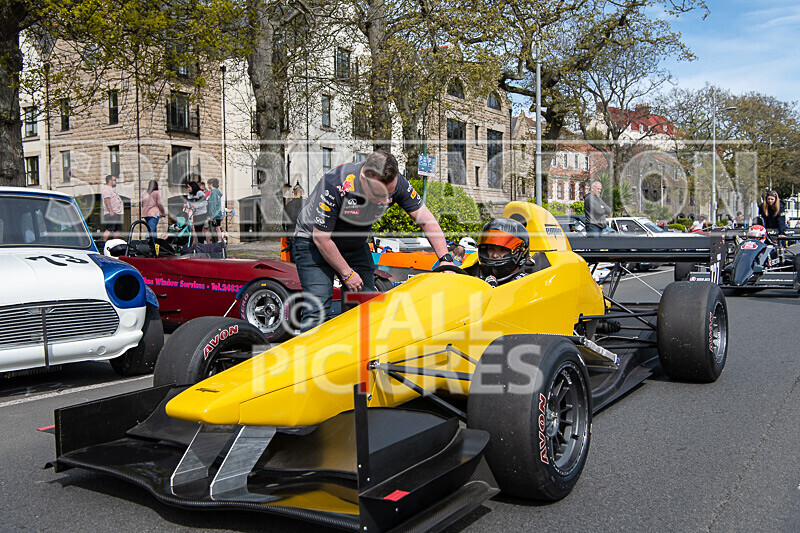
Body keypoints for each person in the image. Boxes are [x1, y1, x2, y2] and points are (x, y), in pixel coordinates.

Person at [293, 150, 453, 331]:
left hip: (353, 242)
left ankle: (356, 356)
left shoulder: (398, 183)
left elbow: (426, 219)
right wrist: (347, 273)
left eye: (390, 194)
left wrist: (445, 261)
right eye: (379, 194)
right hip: (313, 242)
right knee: (317, 309)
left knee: (364, 305)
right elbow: (322, 239)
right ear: (364, 178)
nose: (386, 201)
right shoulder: (335, 184)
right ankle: (309, 357)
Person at [464, 218, 543, 286]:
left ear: (519, 253)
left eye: (503, 250)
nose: (495, 255)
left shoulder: (528, 283)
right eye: (491, 249)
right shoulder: (472, 274)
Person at [185, 180, 210, 245]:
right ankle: (200, 243)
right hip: (195, 214)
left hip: (201, 214)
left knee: (199, 229)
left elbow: (205, 202)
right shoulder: (189, 195)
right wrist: (187, 205)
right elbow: (189, 203)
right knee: (196, 229)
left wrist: (197, 206)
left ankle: (201, 243)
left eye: (189, 187)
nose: (188, 189)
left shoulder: (200, 193)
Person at [101, 174, 124, 241]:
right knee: (110, 229)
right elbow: (106, 199)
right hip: (112, 213)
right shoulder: (106, 189)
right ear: (110, 181)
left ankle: (115, 243)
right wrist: (110, 210)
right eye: (114, 180)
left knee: (118, 229)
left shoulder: (112, 190)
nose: (115, 182)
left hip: (118, 213)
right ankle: (104, 243)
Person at [206, 178, 225, 243]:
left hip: (215, 214)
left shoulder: (213, 193)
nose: (208, 186)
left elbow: (213, 205)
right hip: (218, 213)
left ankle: (219, 241)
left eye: (208, 184)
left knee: (217, 228)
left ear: (211, 184)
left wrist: (212, 216)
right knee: (216, 228)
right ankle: (219, 241)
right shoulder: (218, 192)